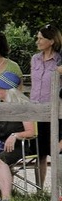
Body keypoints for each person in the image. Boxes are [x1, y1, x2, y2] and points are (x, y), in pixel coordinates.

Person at [0, 71, 36, 201]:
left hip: (17, 144)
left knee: (0, 159)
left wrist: (15, 135)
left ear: (10, 90)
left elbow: (31, 132)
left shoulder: (22, 106)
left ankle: (6, 198)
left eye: (0, 87)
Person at [30, 24, 62, 185]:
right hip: (36, 110)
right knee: (39, 152)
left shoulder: (59, 61)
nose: (38, 41)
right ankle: (39, 189)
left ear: (51, 41)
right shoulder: (34, 58)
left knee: (56, 150)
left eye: (41, 38)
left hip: (54, 111)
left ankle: (57, 190)